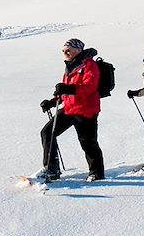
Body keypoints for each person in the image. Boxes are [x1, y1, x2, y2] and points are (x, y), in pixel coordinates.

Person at [39, 38, 105, 182]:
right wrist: (52, 101)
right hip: (69, 108)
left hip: (86, 110)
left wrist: (68, 89)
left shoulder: (89, 65)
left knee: (88, 142)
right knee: (47, 133)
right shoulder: (70, 66)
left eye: (68, 49)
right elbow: (64, 90)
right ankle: (51, 169)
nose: (65, 52)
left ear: (78, 49)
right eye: (63, 50)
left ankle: (97, 173)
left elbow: (90, 87)